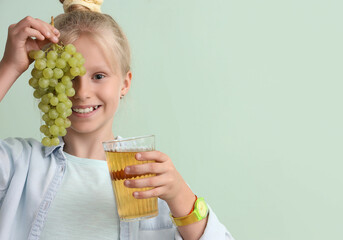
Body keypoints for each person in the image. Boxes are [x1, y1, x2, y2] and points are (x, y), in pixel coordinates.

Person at [0, 0, 233, 239]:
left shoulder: (149, 176)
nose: (81, 92)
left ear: (125, 83)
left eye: (99, 76)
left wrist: (180, 195)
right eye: (68, 76)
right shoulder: (17, 165)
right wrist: (9, 67)